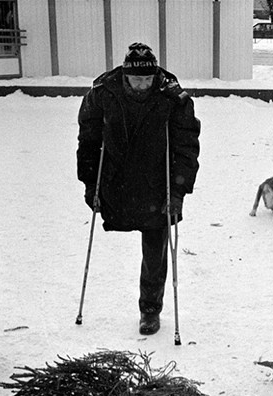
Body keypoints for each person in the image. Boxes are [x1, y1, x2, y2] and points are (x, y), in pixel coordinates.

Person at [77, 42, 201, 335]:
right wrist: (90, 184)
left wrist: (178, 191)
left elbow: (186, 147)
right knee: (149, 241)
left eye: (148, 79)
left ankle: (150, 309)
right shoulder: (102, 94)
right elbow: (89, 143)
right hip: (116, 179)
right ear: (125, 76)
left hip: (157, 182)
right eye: (136, 79)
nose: (143, 85)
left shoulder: (172, 97)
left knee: (156, 248)